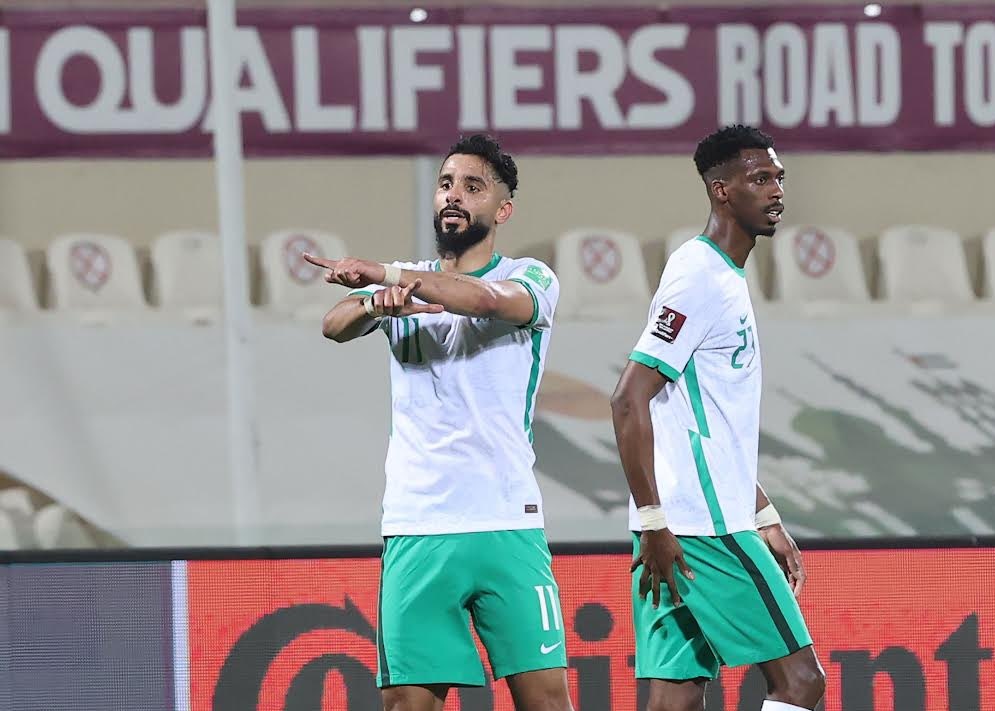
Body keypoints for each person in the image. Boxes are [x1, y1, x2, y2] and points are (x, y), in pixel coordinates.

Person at [305, 134, 573, 711]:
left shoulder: (532, 276)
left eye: (473, 187)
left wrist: (383, 274)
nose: (454, 195)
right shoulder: (401, 284)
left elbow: (485, 301)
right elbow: (333, 325)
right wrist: (374, 301)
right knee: (407, 704)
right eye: (447, 183)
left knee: (548, 703)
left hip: (507, 521)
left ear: (503, 209)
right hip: (419, 522)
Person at [610, 125, 826, 711]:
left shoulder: (722, 275)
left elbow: (702, 424)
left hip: (681, 524)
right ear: (721, 190)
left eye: (778, 177)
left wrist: (764, 512)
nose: (776, 190)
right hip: (700, 529)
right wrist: (655, 523)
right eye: (759, 179)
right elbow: (628, 398)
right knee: (800, 682)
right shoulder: (699, 276)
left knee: (676, 696)